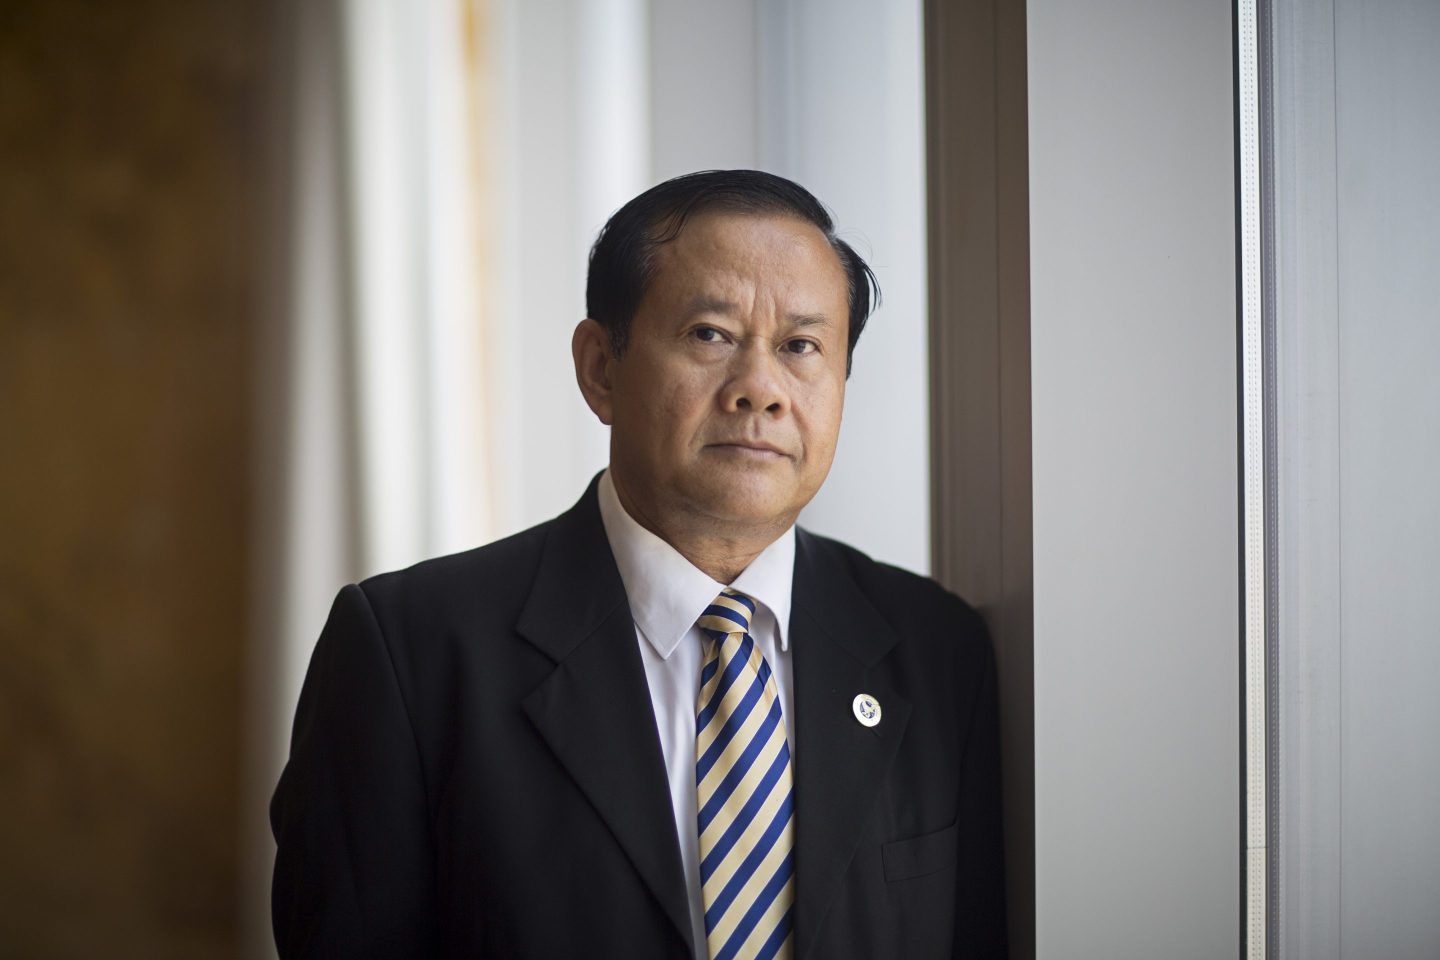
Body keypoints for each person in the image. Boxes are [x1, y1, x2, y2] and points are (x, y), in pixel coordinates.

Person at [269, 169, 1007, 959]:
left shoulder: (935, 651)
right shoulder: (410, 653)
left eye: (801, 346)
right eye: (710, 335)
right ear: (600, 367)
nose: (760, 389)